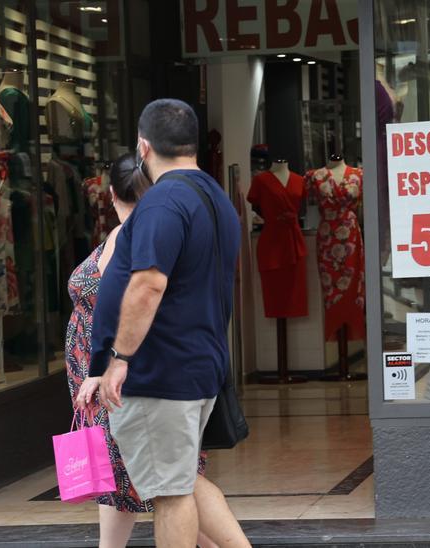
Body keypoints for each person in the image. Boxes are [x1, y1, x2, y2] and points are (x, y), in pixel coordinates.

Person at [79, 99, 250, 548]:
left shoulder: (163, 201)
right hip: (194, 367)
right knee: (180, 480)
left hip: (162, 373)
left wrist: (118, 358)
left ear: (143, 146)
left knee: (170, 494)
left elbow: (148, 284)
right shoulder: (214, 196)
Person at [66, 153, 218, 548]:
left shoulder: (130, 234)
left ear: (110, 193)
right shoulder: (150, 229)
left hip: (121, 379)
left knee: (174, 483)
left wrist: (103, 369)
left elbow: (128, 304)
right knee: (139, 480)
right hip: (118, 377)